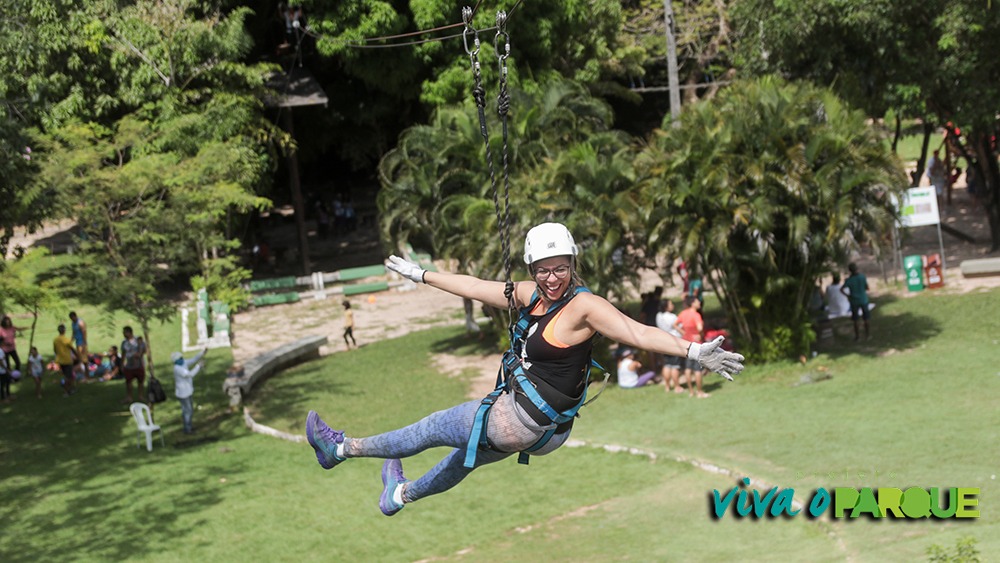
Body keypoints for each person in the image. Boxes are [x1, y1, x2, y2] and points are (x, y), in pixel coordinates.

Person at [306, 222, 744, 516]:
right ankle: (398, 495)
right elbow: (477, 287)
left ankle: (340, 449)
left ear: (573, 265)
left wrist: (693, 351)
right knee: (463, 460)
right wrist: (423, 275)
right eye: (544, 270)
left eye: (561, 269)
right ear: (533, 269)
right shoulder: (533, 295)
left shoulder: (583, 307)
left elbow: (637, 331)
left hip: (522, 420)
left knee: (430, 429)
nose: (553, 278)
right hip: (546, 429)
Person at [675, 296, 707, 398]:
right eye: (697, 301)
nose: (699, 303)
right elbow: (700, 327)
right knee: (697, 369)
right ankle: (700, 392)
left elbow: (675, 324)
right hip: (696, 344)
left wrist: (683, 333)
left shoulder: (683, 313)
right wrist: (700, 335)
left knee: (688, 368)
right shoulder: (696, 315)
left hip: (686, 343)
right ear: (692, 303)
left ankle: (691, 391)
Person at [172, 349, 208, 434]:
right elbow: (190, 374)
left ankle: (188, 426)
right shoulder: (177, 368)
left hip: (188, 391)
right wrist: (198, 366)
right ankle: (187, 429)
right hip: (183, 393)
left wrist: (202, 353)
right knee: (188, 411)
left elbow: (193, 359)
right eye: (179, 358)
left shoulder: (183, 363)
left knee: (188, 410)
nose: (182, 359)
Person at [655, 300, 684, 393]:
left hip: (663, 340)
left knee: (667, 364)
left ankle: (667, 386)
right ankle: (677, 386)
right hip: (674, 341)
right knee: (675, 365)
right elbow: (680, 326)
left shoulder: (658, 316)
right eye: (671, 304)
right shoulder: (672, 317)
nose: (673, 305)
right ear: (666, 306)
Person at [841, 263, 871, 341]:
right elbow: (867, 287)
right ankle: (867, 335)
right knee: (866, 318)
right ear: (857, 268)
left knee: (855, 320)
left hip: (854, 301)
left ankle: (857, 337)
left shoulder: (849, 280)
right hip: (863, 300)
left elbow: (841, 289)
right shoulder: (862, 277)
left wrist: (848, 295)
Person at [121, 326, 146, 403]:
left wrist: (139, 354)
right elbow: (123, 353)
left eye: (125, 332)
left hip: (138, 364)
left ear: (130, 332)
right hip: (129, 365)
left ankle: (140, 396)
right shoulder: (124, 343)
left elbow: (144, 350)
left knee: (140, 381)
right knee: (128, 382)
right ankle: (129, 397)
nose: (124, 334)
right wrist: (122, 363)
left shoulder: (138, 340)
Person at [53, 324, 78, 397]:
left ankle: (70, 389)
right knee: (69, 377)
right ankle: (67, 391)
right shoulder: (66, 340)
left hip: (60, 360)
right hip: (67, 360)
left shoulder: (55, 340)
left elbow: (55, 350)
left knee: (66, 376)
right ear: (64, 331)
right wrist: (77, 356)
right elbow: (72, 349)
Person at [0, 337, 10, 403]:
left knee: (7, 381)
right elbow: (0, 361)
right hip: (1, 370)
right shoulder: (0, 351)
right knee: (3, 384)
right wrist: (6, 368)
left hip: (3, 370)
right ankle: (3, 398)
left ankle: (8, 395)